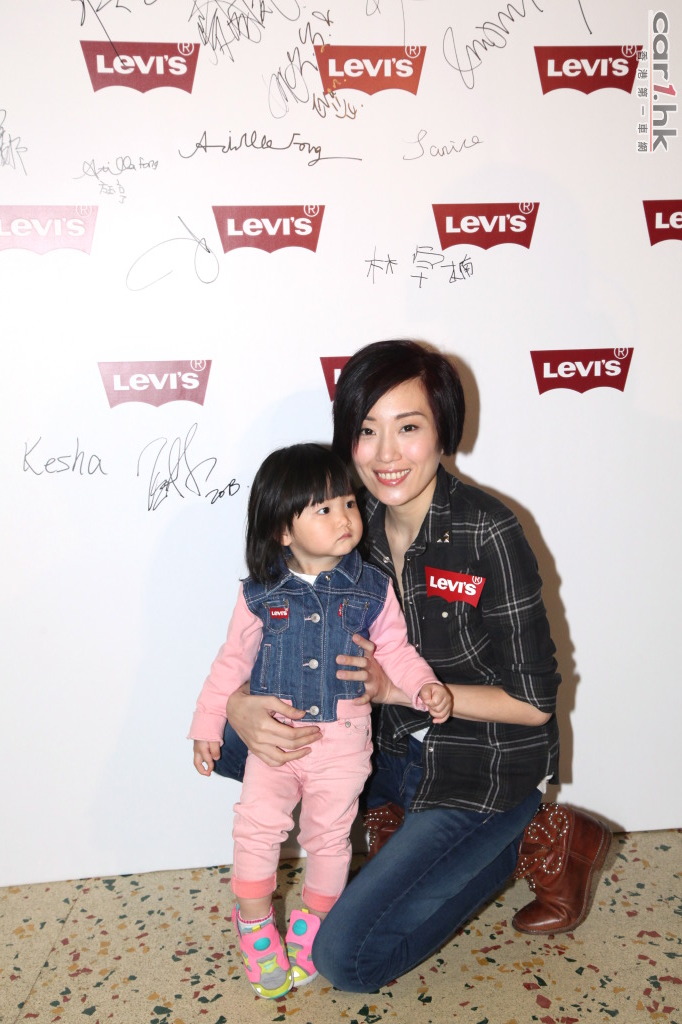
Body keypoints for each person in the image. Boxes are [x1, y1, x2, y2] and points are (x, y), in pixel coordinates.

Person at [219, 340, 611, 993]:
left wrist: (396, 689)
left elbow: (533, 703)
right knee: (237, 735)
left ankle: (535, 836)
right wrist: (237, 703)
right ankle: (394, 820)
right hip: (386, 750)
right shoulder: (348, 519)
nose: (385, 454)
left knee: (347, 960)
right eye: (366, 431)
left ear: (443, 431)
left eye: (407, 427)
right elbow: (270, 625)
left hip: (481, 762)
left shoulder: (488, 531)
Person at [189, 442, 452, 999]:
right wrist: (207, 724)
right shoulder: (259, 595)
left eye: (349, 504)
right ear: (283, 531)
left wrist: (421, 685)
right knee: (257, 827)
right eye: (324, 510)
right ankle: (255, 924)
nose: (345, 518)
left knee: (330, 838)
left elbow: (396, 651)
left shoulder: (372, 588)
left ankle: (312, 923)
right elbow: (230, 664)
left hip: (344, 743)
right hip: (275, 741)